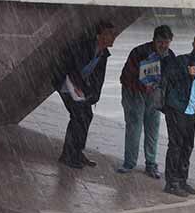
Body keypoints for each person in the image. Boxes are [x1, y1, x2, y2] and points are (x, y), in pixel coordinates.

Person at [55, 21, 117, 169]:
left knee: (87, 115)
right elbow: (73, 67)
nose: (113, 37)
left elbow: (98, 79)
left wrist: (93, 96)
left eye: (114, 34)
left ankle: (77, 151)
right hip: (67, 82)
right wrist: (79, 89)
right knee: (78, 116)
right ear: (100, 35)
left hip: (79, 87)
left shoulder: (103, 54)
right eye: (110, 34)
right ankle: (68, 155)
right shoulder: (85, 46)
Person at [117, 25, 175, 178]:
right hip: (134, 93)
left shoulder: (170, 57)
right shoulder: (139, 52)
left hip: (154, 95)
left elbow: (171, 79)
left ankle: (151, 163)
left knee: (153, 128)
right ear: (153, 40)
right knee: (134, 126)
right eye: (160, 42)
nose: (163, 46)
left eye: (166, 42)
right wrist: (141, 85)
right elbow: (126, 76)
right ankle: (129, 162)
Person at [160, 32, 195, 197]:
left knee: (187, 147)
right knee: (176, 146)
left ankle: (182, 180)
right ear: (194, 44)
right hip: (177, 109)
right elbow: (168, 77)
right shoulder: (183, 61)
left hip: (190, 112)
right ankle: (171, 183)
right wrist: (186, 73)